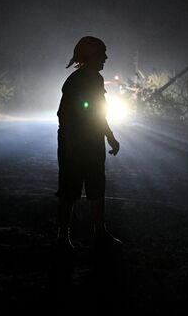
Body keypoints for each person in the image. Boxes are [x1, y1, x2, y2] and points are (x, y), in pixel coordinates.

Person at [56, 36, 122, 252]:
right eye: (102, 53)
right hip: (77, 144)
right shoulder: (79, 81)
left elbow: (97, 113)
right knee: (71, 190)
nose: (106, 57)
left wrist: (109, 136)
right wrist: (72, 144)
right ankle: (65, 237)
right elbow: (64, 114)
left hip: (89, 142)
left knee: (93, 188)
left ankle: (95, 234)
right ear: (91, 55)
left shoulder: (93, 79)